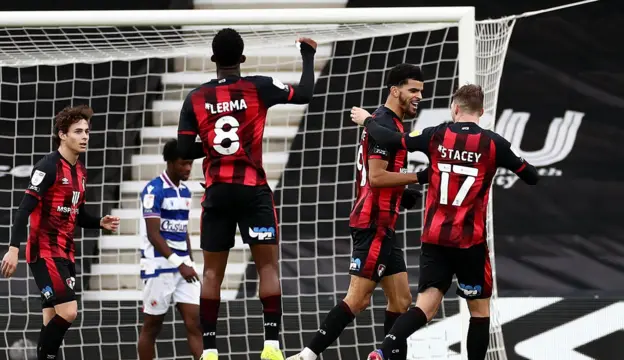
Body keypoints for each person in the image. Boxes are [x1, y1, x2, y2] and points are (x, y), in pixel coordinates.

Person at [350, 84, 539, 360]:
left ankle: (384, 350)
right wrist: (514, 163)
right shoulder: (494, 144)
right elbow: (532, 176)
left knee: (425, 308)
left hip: (435, 238)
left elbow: (389, 138)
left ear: (455, 108)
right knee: (479, 310)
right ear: (482, 112)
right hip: (469, 242)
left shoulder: (436, 135)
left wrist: (367, 120)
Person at [176, 27, 317, 360]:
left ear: (213, 60)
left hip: (217, 193)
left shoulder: (194, 98)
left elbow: (183, 148)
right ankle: (271, 346)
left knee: (212, 273)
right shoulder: (259, 86)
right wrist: (308, 54)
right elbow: (306, 92)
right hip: (253, 191)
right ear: (241, 58)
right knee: (267, 269)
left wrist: (211, 146)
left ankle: (209, 350)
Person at [287, 64, 428, 360]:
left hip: (384, 222)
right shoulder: (384, 125)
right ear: (395, 90)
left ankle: (387, 357)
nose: (418, 96)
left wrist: (401, 195)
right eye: (413, 90)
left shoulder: (385, 123)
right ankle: (307, 355)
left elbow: (375, 178)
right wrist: (418, 177)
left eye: (421, 91)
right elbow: (376, 177)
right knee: (358, 299)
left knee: (401, 301)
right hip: (373, 223)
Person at [0, 105, 120, 360]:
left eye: (87, 131)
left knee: (52, 319)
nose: (85, 136)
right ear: (62, 135)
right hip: (44, 251)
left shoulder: (80, 172)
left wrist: (100, 222)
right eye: (78, 131)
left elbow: (78, 215)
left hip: (67, 252)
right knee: (69, 312)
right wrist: (13, 249)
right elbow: (23, 210)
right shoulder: (48, 166)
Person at [137, 139, 203, 360]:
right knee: (152, 326)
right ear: (171, 162)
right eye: (183, 163)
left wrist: (190, 261)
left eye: (190, 164)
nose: (187, 169)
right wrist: (180, 263)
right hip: (158, 267)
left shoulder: (185, 192)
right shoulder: (153, 190)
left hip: (183, 266)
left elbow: (182, 229)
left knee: (195, 322)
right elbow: (154, 235)